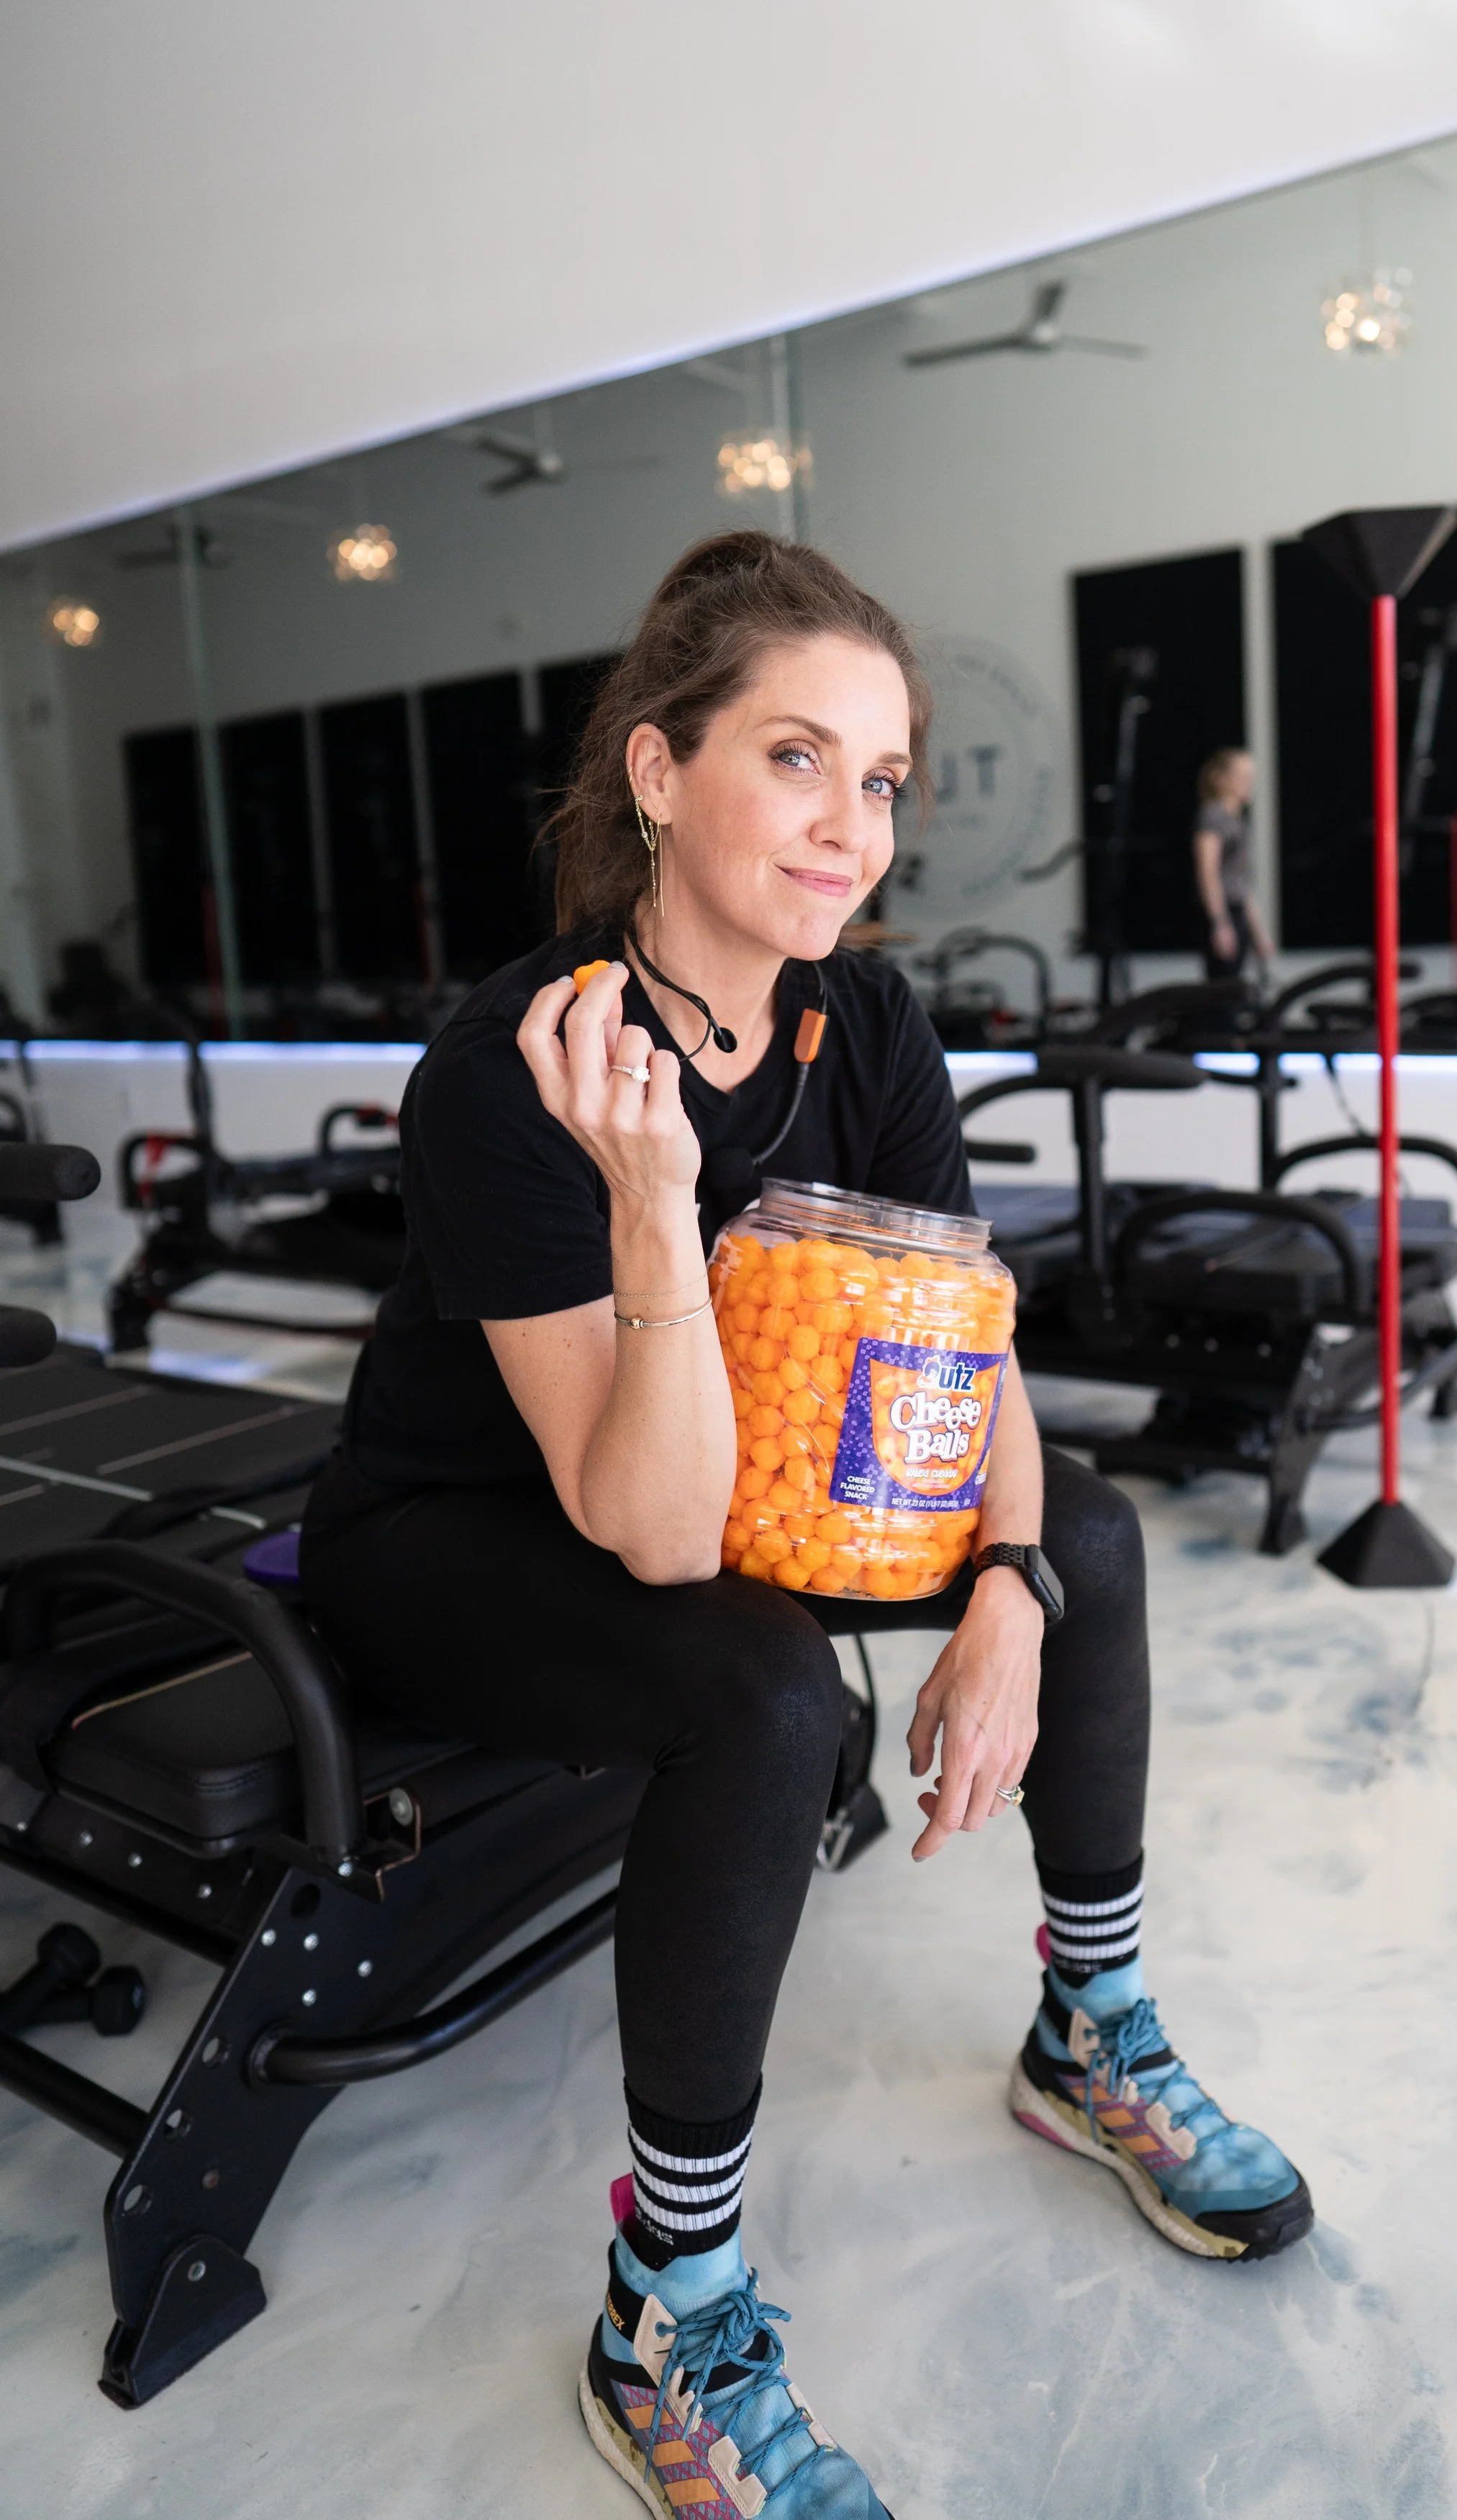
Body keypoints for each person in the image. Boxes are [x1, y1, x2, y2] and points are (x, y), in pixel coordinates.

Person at [301, 532, 1311, 2519]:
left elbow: (964, 1335)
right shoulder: (524, 1064)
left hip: (711, 1479)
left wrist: (1009, 1584)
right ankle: (664, 2299)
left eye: (880, 779)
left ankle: (1085, 2023)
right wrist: (651, 1198)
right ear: (661, 773)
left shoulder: (866, 1024)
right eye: (794, 757)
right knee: (764, 1690)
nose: (847, 823)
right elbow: (655, 1528)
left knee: (1084, 1531)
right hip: (470, 1533)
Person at [1192, 747, 1274, 982]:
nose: (1249, 784)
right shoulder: (1213, 816)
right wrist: (1220, 922)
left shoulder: (1236, 819)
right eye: (1243, 777)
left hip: (1236, 908)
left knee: (1235, 984)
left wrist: (1258, 931)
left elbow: (1241, 881)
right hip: (1221, 908)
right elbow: (1207, 872)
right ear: (1221, 779)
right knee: (1222, 988)